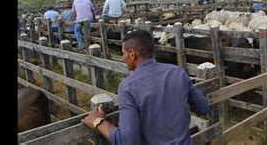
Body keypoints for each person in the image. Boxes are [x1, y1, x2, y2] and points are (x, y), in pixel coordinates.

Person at [81, 29, 209, 144]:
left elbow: (128, 141)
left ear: (132, 54)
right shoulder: (178, 72)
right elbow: (203, 107)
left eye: (123, 53)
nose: (122, 58)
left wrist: (99, 122)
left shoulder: (127, 87)